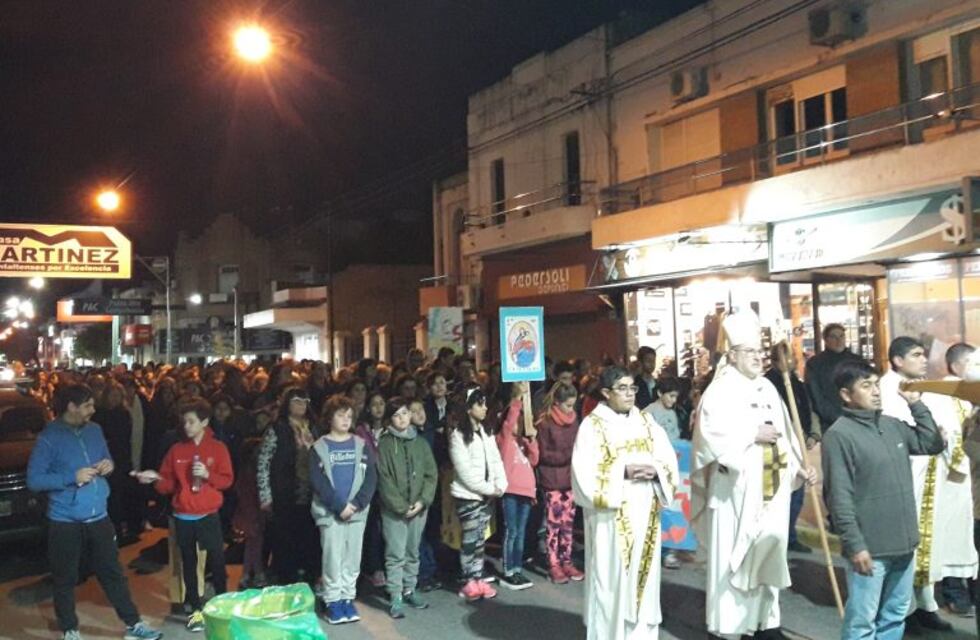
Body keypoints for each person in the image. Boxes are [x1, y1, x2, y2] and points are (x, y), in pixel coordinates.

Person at [692, 311, 816, 640]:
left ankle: (765, 621)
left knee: (769, 555)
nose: (758, 358)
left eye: (760, 351)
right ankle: (728, 627)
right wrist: (751, 432)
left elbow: (784, 436)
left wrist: (799, 466)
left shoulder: (769, 388)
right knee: (734, 560)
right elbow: (710, 440)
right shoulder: (718, 392)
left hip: (771, 491)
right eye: (750, 352)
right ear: (732, 355)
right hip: (736, 492)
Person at [26, 383, 162, 640]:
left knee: (112, 573)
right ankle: (70, 629)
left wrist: (108, 465)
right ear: (71, 407)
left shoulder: (95, 430)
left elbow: (106, 458)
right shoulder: (49, 437)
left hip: (98, 515)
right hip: (64, 520)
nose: (92, 410)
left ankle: (133, 624)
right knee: (65, 577)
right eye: (87, 405)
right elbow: (35, 480)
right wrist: (70, 477)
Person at [822, 360, 945, 640]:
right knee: (862, 621)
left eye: (876, 384)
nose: (876, 391)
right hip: (870, 550)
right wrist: (855, 545)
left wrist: (917, 405)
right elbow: (839, 496)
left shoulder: (891, 426)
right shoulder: (839, 435)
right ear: (846, 394)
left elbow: (931, 444)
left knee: (895, 615)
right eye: (866, 386)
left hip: (903, 543)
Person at [571, 365, 678, 640]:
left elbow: (667, 459)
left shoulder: (645, 422)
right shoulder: (592, 427)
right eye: (623, 388)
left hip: (645, 516)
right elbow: (584, 475)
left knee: (644, 585)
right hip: (611, 521)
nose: (630, 394)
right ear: (606, 393)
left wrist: (655, 471)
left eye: (633, 388)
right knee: (612, 585)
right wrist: (624, 471)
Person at [879, 337, 962, 631]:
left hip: (929, 473)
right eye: (916, 355)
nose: (924, 360)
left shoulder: (920, 385)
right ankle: (902, 609)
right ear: (898, 360)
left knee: (926, 542)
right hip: (906, 475)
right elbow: (896, 432)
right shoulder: (889, 389)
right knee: (906, 544)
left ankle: (924, 603)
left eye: (924, 355)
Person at [133, 398, 234, 633]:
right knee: (187, 563)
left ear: (204, 422)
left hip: (208, 514)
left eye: (191, 421)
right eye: (184, 421)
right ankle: (195, 609)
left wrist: (208, 474)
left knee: (217, 561)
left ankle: (223, 603)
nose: (186, 426)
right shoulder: (177, 450)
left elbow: (227, 481)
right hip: (183, 515)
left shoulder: (217, 448)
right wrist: (155, 479)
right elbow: (168, 484)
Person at [310, 395, 378, 626]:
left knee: (352, 558)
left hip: (357, 514)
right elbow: (318, 482)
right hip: (330, 514)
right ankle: (332, 601)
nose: (346, 419)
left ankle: (347, 597)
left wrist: (357, 504)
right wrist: (340, 506)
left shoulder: (361, 445)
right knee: (332, 558)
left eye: (349, 416)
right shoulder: (319, 447)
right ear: (330, 417)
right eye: (341, 415)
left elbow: (370, 478)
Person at [922, 343, 979, 617]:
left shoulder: (972, 394)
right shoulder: (939, 396)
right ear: (957, 365)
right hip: (952, 479)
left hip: (971, 482)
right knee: (953, 537)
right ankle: (955, 593)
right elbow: (954, 439)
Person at [376, 398, 439, 618]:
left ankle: (410, 588)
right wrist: (401, 506)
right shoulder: (384, 444)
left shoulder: (420, 443)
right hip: (394, 510)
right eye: (397, 415)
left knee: (413, 551)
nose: (402, 418)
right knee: (395, 553)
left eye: (405, 413)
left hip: (419, 508)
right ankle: (395, 595)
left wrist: (422, 501)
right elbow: (383, 479)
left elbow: (431, 474)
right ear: (390, 420)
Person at [257, 387, 321, 584]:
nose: (301, 405)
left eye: (304, 401)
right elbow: (263, 462)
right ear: (287, 404)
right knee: (285, 539)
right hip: (284, 492)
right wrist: (265, 496)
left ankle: (308, 578)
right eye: (296, 401)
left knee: (309, 538)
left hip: (311, 493)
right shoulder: (277, 428)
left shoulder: (314, 428)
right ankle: (286, 580)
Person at [450, 387, 508, 602]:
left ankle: (477, 576)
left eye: (485, 403)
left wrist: (501, 484)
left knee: (480, 539)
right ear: (468, 408)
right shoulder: (458, 436)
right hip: (468, 496)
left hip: (487, 496)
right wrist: (489, 489)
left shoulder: (486, 432)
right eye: (479, 404)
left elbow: (495, 460)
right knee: (470, 539)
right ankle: (468, 580)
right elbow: (465, 473)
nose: (485, 408)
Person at [764, 343, 816, 554]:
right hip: (779, 443)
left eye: (791, 357)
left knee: (798, 489)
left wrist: (811, 433)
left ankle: (791, 534)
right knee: (781, 490)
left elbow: (806, 408)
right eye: (784, 358)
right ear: (775, 361)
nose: (790, 362)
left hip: (798, 440)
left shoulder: (796, 381)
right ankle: (779, 536)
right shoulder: (768, 384)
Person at [536, 382, 583, 584]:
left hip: (570, 479)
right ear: (557, 402)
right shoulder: (545, 422)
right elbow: (543, 453)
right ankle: (553, 563)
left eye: (573, 405)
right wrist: (568, 455)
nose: (571, 409)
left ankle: (566, 560)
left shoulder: (575, 421)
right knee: (553, 526)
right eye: (568, 405)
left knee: (568, 524)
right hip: (552, 480)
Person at [495, 382, 540, 590]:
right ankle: (508, 570)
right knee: (511, 531)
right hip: (511, 492)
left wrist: (531, 440)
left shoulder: (521, 441)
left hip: (526, 492)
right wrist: (518, 400)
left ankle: (517, 568)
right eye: (515, 421)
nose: (516, 424)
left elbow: (534, 460)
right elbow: (508, 422)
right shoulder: (503, 441)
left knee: (520, 532)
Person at [805, 323, 862, 431]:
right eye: (833, 337)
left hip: (857, 419)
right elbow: (816, 397)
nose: (838, 340)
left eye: (841, 336)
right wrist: (837, 418)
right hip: (829, 424)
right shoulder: (815, 364)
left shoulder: (857, 361)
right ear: (825, 340)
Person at [643, 376, 681, 442]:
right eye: (671, 396)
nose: (674, 400)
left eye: (676, 397)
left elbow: (676, 434)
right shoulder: (648, 412)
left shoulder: (672, 413)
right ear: (660, 393)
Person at [634, 346, 658, 410]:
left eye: (653, 361)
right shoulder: (636, 383)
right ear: (640, 362)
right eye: (648, 361)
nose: (652, 364)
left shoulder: (657, 383)